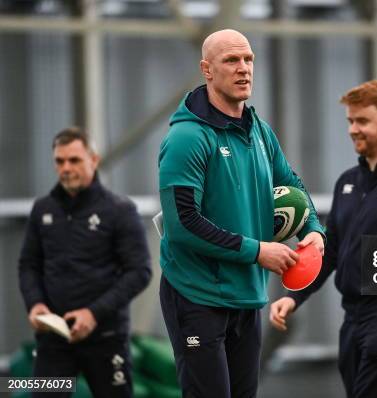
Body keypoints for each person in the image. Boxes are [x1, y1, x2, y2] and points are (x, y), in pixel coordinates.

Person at [157, 29, 325, 398]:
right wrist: (257, 251)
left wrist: (312, 227)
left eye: (248, 59)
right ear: (207, 70)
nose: (243, 68)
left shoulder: (260, 132)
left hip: (246, 297)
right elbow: (183, 223)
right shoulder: (187, 138)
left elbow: (291, 181)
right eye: (231, 60)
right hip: (197, 295)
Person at [270, 80, 377, 398]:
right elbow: (330, 250)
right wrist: (295, 298)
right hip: (352, 320)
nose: (353, 129)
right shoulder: (347, 182)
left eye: (362, 120)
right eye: (350, 121)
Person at [18, 127, 152, 397]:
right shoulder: (43, 209)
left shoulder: (119, 210)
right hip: (53, 339)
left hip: (106, 338)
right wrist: (35, 304)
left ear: (94, 160)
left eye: (74, 160)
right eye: (59, 161)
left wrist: (93, 313)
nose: (66, 168)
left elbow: (140, 271)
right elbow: (28, 264)